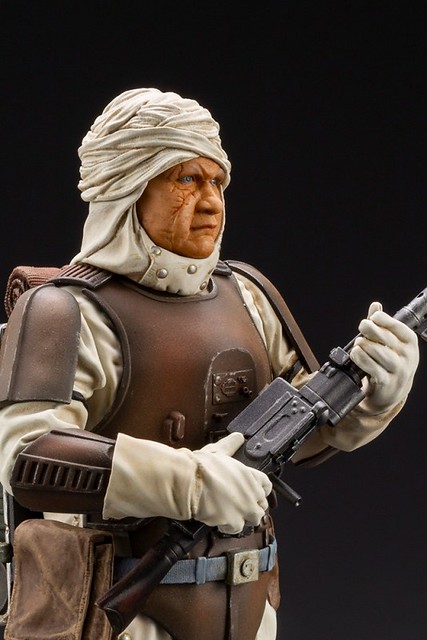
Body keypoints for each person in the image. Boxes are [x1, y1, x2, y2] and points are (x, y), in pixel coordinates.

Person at [0, 88, 419, 640]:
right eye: (186, 179)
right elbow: (28, 455)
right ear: (127, 186)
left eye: (217, 182)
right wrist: (190, 483)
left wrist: (373, 398)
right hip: (119, 614)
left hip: (250, 604)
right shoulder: (66, 310)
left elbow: (303, 430)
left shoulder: (248, 295)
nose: (211, 202)